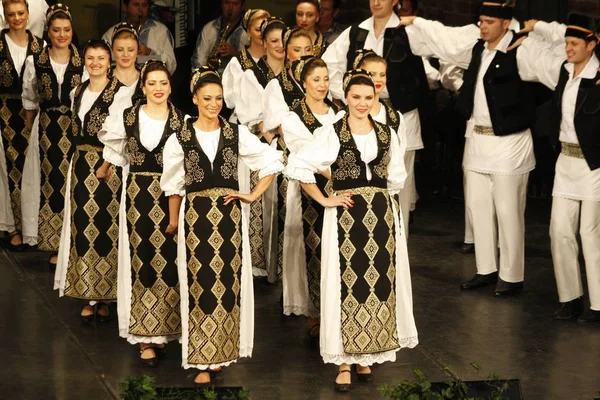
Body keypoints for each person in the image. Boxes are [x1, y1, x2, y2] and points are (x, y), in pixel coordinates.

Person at [285, 69, 417, 391]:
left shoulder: (388, 133)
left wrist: (386, 209)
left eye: (368, 98)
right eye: (356, 97)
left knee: (378, 286)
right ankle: (344, 361)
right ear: (346, 98)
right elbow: (299, 165)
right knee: (346, 285)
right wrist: (325, 199)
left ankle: (366, 355)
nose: (362, 103)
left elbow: (396, 178)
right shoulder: (332, 132)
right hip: (347, 219)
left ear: (375, 99)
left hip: (383, 218)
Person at [400, 0, 536, 295]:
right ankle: (485, 269)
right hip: (478, 141)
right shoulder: (477, 49)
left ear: (504, 23)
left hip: (509, 145)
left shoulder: (519, 49)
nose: (483, 27)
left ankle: (512, 276)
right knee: (478, 206)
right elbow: (446, 41)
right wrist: (418, 23)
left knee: (508, 210)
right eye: (481, 22)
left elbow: (552, 68)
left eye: (489, 22)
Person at [160, 66, 284, 385]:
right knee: (200, 286)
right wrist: (173, 222)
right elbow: (173, 185)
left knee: (226, 285)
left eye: (218, 98)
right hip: (196, 218)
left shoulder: (235, 133)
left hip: (229, 220)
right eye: (207, 99)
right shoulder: (181, 138)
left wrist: (253, 194)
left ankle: (221, 353)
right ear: (195, 100)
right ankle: (202, 358)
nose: (214, 104)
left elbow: (271, 161)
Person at [516, 15, 600, 322]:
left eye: (575, 44)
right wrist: (534, 30)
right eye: (567, 43)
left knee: (590, 234)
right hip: (566, 162)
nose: (568, 48)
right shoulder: (564, 72)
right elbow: (544, 50)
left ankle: (598, 304)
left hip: (594, 165)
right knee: (559, 231)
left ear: (592, 45)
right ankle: (571, 298)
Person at [99, 60, 183, 365]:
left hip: (171, 196)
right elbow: (115, 150)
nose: (158, 89)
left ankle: (167, 329)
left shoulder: (181, 121)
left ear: (170, 86)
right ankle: (145, 335)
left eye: (163, 83)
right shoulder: (129, 116)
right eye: (152, 83)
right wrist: (106, 167)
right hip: (137, 196)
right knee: (142, 259)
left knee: (171, 260)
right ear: (143, 87)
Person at [322, 0, 428, 236]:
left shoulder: (407, 31)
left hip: (400, 112)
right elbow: (328, 65)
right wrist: (349, 94)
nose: (377, 2)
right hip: (361, 112)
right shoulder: (356, 32)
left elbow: (427, 70)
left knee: (400, 182)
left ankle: (398, 242)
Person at [54, 39, 132, 322]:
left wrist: (107, 162)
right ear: (84, 60)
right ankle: (87, 291)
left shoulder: (120, 94)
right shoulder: (78, 90)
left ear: (109, 62)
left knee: (105, 225)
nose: (95, 63)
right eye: (90, 58)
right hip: (81, 163)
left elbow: (121, 132)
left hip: (106, 165)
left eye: (101, 58)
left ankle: (107, 294)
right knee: (81, 224)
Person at [279, 56, 342, 334]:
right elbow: (306, 155)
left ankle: (337, 308)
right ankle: (314, 311)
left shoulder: (339, 112)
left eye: (326, 79)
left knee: (337, 247)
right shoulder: (294, 117)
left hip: (339, 185)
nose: (322, 85)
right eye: (316, 79)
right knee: (313, 246)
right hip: (311, 186)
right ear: (304, 82)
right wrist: (340, 175)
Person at [20, 3, 83, 268]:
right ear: (48, 31)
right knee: (50, 183)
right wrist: (30, 131)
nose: (61, 35)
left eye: (66, 29)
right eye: (56, 30)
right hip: (47, 129)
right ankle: (54, 242)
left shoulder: (83, 61)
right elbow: (30, 98)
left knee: (73, 183)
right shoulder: (37, 60)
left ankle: (74, 244)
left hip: (74, 129)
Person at [236, 16, 286, 281]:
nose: (279, 46)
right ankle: (262, 264)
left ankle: (283, 265)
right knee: (263, 205)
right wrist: (269, 134)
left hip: (288, 144)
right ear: (264, 43)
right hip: (261, 145)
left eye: (282, 41)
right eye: (273, 41)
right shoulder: (252, 74)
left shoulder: (292, 74)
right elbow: (249, 116)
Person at [0, 0, 43, 251]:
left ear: (28, 14)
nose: (16, 18)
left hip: (32, 114)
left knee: (31, 169)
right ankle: (11, 226)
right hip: (3, 112)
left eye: (20, 13)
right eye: (11, 14)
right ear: (5, 16)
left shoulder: (40, 45)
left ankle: (31, 226)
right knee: (7, 169)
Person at [102, 0, 176, 74]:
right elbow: (102, 62)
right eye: (136, 5)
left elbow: (171, 64)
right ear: (125, 7)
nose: (141, 10)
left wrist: (151, 53)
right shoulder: (111, 33)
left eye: (144, 5)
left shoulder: (161, 31)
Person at [222, 8, 270, 122]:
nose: (262, 34)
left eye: (266, 29)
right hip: (244, 123)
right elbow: (230, 101)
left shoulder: (278, 59)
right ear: (248, 31)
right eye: (258, 30)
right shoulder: (237, 63)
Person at [191, 0, 247, 70]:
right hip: (210, 77)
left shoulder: (248, 32)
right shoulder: (208, 28)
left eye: (235, 4)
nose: (230, 8)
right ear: (221, 4)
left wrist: (236, 54)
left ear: (242, 7)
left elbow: (254, 67)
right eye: (226, 3)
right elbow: (198, 61)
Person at [110, 22, 144, 104]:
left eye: (131, 50)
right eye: (120, 50)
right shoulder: (105, 78)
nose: (125, 54)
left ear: (138, 50)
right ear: (112, 50)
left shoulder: (146, 78)